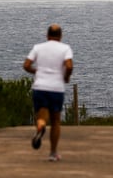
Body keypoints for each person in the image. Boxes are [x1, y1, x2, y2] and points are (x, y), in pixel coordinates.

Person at [23, 23, 73, 162]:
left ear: (47, 35)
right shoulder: (65, 49)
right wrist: (66, 77)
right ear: (60, 36)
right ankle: (53, 153)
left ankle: (41, 126)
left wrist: (36, 71)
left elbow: (26, 65)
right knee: (56, 121)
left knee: (41, 115)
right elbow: (69, 66)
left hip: (40, 87)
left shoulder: (38, 48)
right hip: (56, 88)